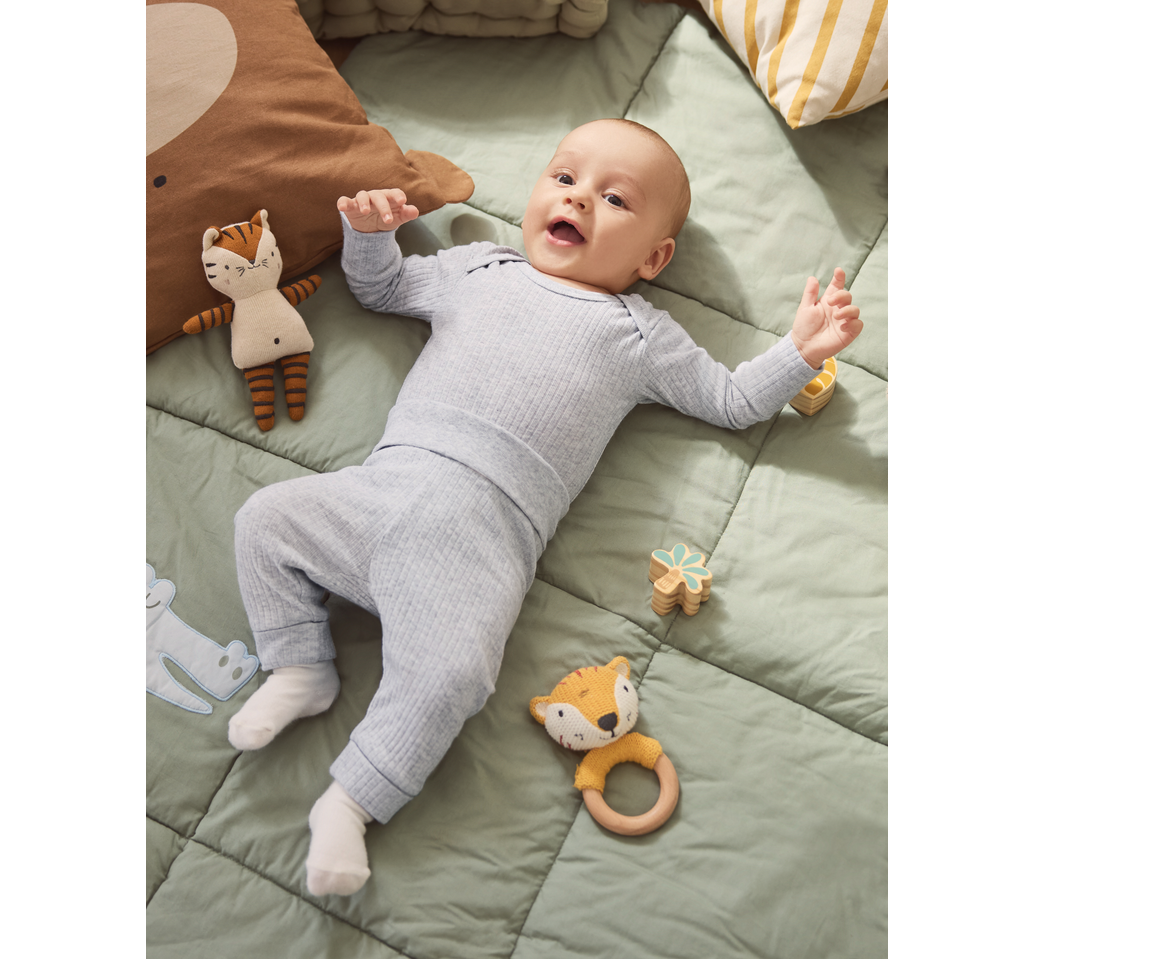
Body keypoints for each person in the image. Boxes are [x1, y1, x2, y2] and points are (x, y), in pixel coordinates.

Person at [228, 119, 863, 896]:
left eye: (615, 199)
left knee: (453, 676)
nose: (579, 199)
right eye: (564, 178)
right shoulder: (478, 267)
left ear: (653, 259)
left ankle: (351, 801)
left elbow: (730, 400)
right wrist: (367, 235)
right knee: (264, 520)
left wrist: (799, 350)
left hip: (483, 544)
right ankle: (300, 665)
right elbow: (384, 288)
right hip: (380, 490)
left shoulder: (638, 335)